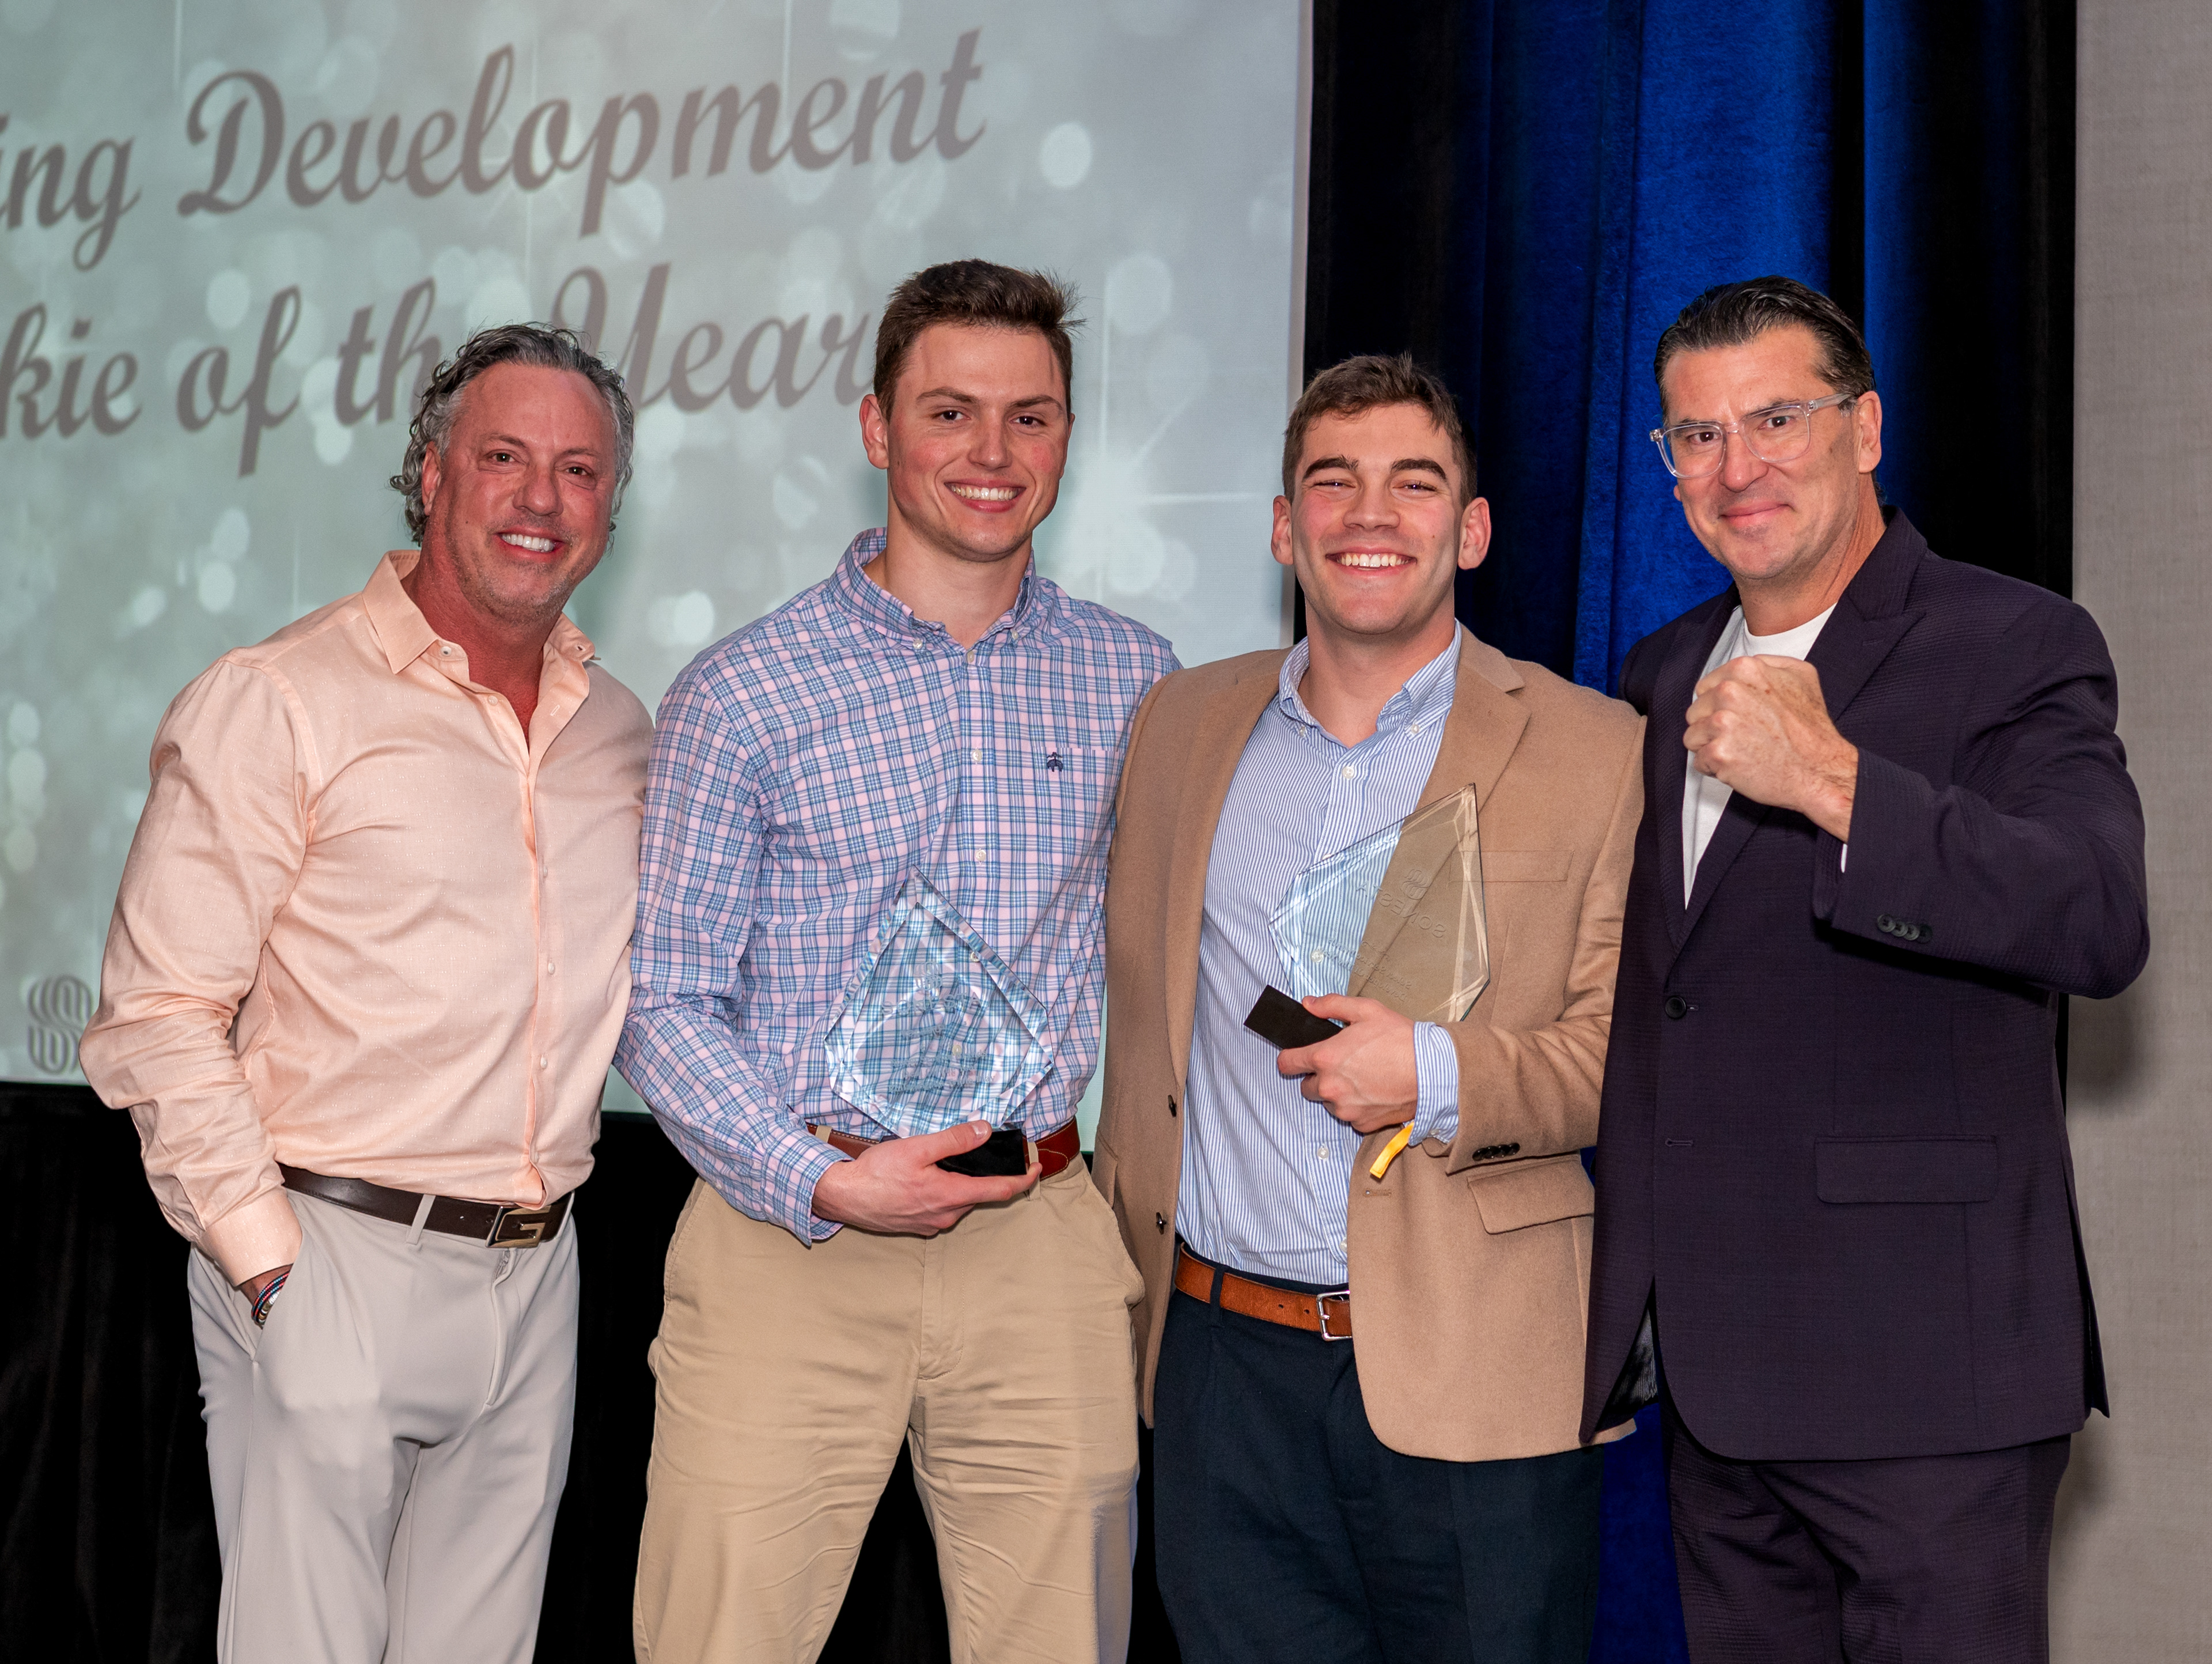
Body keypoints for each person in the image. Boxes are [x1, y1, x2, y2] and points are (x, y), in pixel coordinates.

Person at [1581, 276, 2148, 1661]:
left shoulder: (2016, 641)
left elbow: (2095, 916)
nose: (1739, 466)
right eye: (1698, 435)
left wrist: (1838, 783)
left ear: (1867, 427)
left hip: (1928, 1376)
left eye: (1777, 419)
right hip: (1715, 1384)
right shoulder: (1659, 674)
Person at [619, 260, 1176, 1664]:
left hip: (1037, 1239)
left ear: (1066, 436)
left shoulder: (1138, 679)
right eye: (950, 411)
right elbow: (665, 997)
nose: (993, 451)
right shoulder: (741, 691)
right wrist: (818, 1178)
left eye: (1030, 417)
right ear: (878, 427)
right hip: (788, 1231)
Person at [77, 324, 652, 1663]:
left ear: (611, 504)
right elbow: (158, 1014)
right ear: (431, 473)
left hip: (541, 1272)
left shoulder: (622, 732)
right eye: (504, 458)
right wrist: (271, 1271)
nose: (542, 497)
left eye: (579, 470)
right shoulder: (280, 699)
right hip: (331, 1247)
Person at [1096, 353, 1644, 1662]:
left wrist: (1440, 1074)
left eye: (1415, 482)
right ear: (1285, 527)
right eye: (1333, 482)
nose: (1371, 514)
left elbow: (1630, 1059)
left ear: (1473, 529)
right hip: (1219, 1372)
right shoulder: (1178, 723)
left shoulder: (1599, 746)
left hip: (1479, 1368)